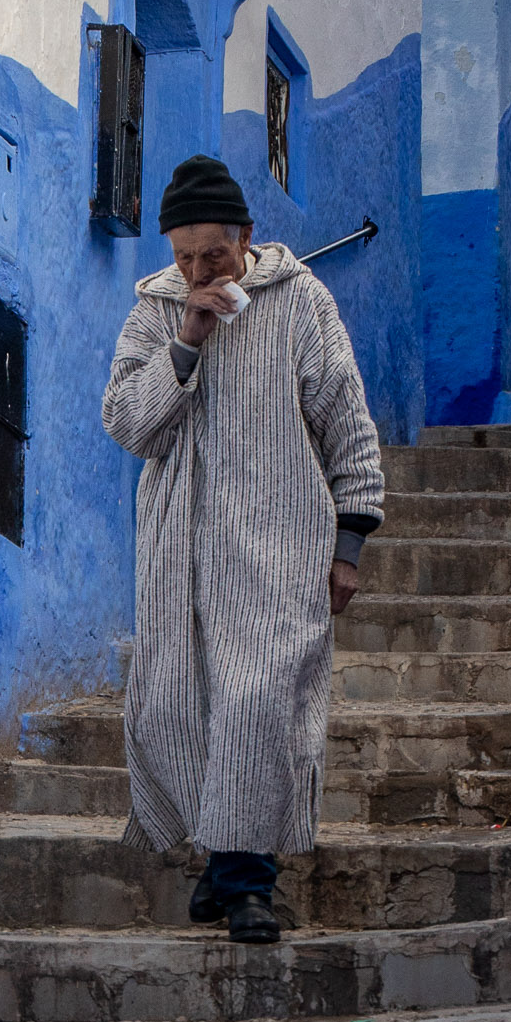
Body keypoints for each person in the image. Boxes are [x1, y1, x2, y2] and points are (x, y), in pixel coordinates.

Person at [102, 155, 385, 944]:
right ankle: (222, 869)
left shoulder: (302, 304)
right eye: (184, 257)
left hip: (282, 543)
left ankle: (248, 885)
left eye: (213, 257)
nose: (197, 271)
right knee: (180, 706)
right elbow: (128, 424)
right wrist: (185, 344)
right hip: (182, 549)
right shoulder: (155, 314)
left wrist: (349, 542)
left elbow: (346, 423)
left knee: (257, 702)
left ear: (246, 241)